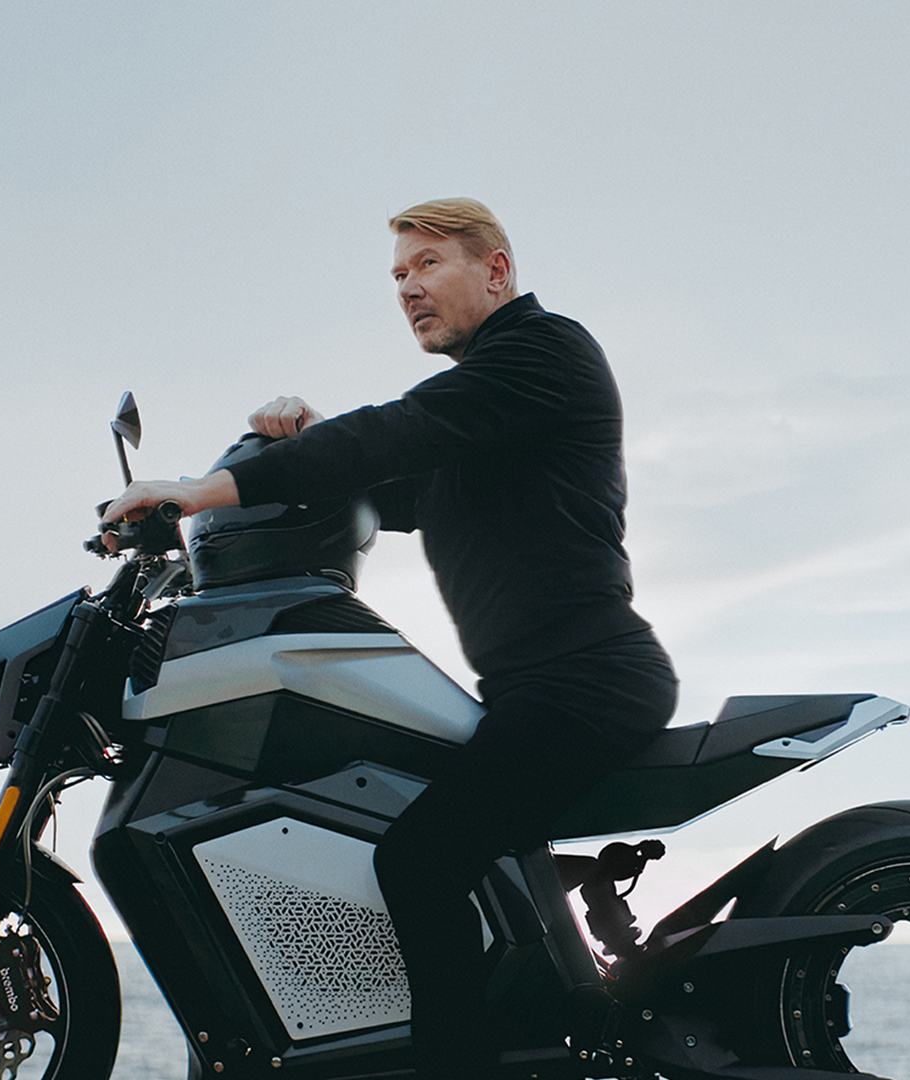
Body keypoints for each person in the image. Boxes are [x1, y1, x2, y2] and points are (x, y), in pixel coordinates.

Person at [99, 197, 676, 1079]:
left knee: (419, 859)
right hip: (539, 690)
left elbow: (392, 435)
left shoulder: (543, 352)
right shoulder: (484, 416)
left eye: (427, 265)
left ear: (497, 270)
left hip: (587, 685)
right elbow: (367, 480)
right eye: (398, 276)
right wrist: (281, 436)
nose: (408, 289)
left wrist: (195, 489)